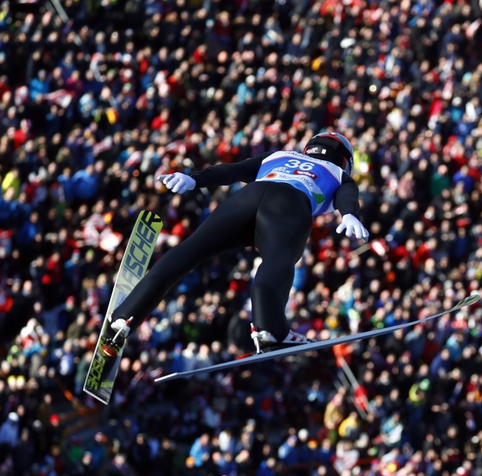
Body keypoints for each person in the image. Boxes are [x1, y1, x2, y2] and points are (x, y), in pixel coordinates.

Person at [100, 132, 368, 357]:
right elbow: (346, 194)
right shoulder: (337, 173)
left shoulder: (280, 155)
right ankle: (269, 328)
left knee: (190, 250)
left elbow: (234, 170)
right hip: (289, 206)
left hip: (246, 198)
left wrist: (195, 178)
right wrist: (349, 214)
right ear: (344, 160)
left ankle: (124, 316)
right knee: (278, 261)